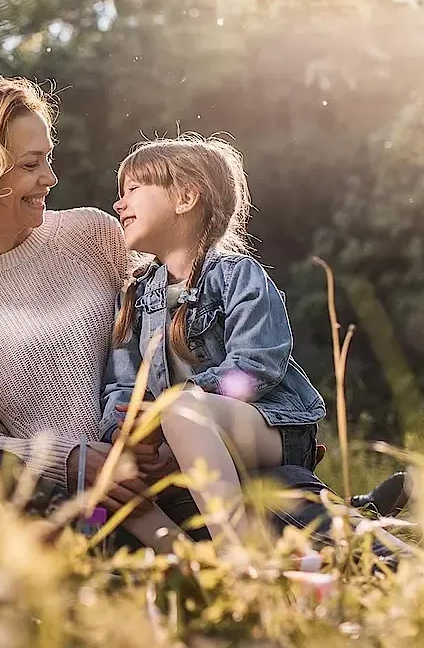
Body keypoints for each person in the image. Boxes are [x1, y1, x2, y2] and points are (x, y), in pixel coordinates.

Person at [0, 78, 170, 537]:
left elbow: (168, 331)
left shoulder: (93, 234)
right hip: (63, 500)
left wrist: (160, 430)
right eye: (31, 164)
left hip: (159, 466)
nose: (50, 178)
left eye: (47, 159)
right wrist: (70, 460)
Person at [101, 136, 327, 543]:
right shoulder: (133, 296)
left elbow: (255, 366)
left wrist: (171, 409)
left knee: (182, 408)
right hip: (182, 432)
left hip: (269, 428)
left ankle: (236, 551)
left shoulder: (238, 275)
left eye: (133, 189)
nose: (120, 204)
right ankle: (180, 558)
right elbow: (123, 386)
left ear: (186, 198)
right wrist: (126, 433)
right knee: (112, 474)